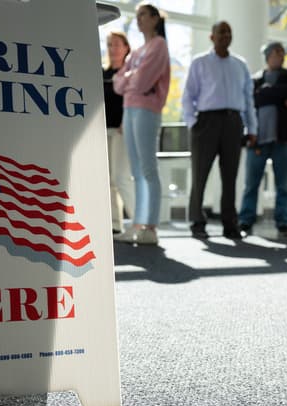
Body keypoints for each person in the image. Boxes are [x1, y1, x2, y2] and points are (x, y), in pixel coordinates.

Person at [182, 21, 257, 240]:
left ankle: (230, 224)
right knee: (200, 173)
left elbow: (248, 99)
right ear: (212, 37)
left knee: (230, 176)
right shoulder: (200, 62)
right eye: (221, 31)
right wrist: (192, 123)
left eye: (229, 31)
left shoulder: (240, 65)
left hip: (234, 123)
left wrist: (252, 128)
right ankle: (197, 221)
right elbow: (188, 96)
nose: (226, 35)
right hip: (206, 123)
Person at [113, 2, 170, 245]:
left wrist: (128, 79)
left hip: (147, 110)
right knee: (136, 171)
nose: (139, 20)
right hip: (129, 109)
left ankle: (150, 227)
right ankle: (137, 224)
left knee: (148, 168)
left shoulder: (159, 46)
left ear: (155, 19)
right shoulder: (137, 52)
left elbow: (143, 82)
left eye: (143, 15)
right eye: (137, 16)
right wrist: (129, 78)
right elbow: (118, 83)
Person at [237, 42, 287, 238]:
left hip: (284, 139)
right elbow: (250, 100)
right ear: (267, 56)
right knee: (251, 184)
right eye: (275, 53)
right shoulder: (254, 79)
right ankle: (246, 221)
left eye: (282, 53)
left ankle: (283, 222)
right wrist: (277, 95)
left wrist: (267, 93)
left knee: (284, 185)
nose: (280, 56)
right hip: (257, 139)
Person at [103, 31, 135, 234]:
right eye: (109, 45)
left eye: (117, 44)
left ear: (126, 48)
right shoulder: (101, 73)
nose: (113, 48)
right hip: (103, 130)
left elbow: (133, 100)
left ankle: (140, 222)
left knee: (121, 177)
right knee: (107, 180)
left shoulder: (130, 73)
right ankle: (115, 224)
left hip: (122, 130)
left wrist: (126, 120)